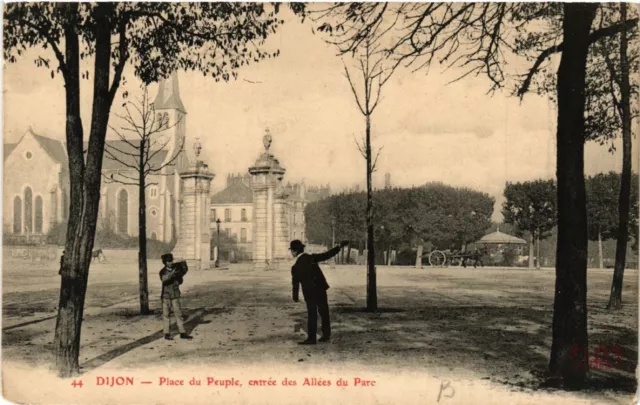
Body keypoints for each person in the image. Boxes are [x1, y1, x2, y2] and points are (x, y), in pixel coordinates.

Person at [290, 239, 349, 345]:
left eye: (291, 251)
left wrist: (295, 296)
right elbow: (327, 255)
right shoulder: (312, 258)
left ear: (294, 251)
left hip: (309, 292)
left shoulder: (295, 267)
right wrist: (339, 246)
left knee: (312, 314)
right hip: (320, 288)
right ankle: (326, 335)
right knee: (324, 312)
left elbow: (295, 283)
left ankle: (311, 338)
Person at [159, 253, 193, 341]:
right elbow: (164, 279)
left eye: (171, 261)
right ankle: (166, 333)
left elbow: (184, 271)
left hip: (175, 295)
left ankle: (182, 333)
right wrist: (172, 274)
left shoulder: (176, 269)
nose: (170, 263)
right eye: (168, 261)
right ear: (165, 262)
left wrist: (183, 262)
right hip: (166, 296)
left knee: (179, 314)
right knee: (166, 315)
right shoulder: (162, 271)